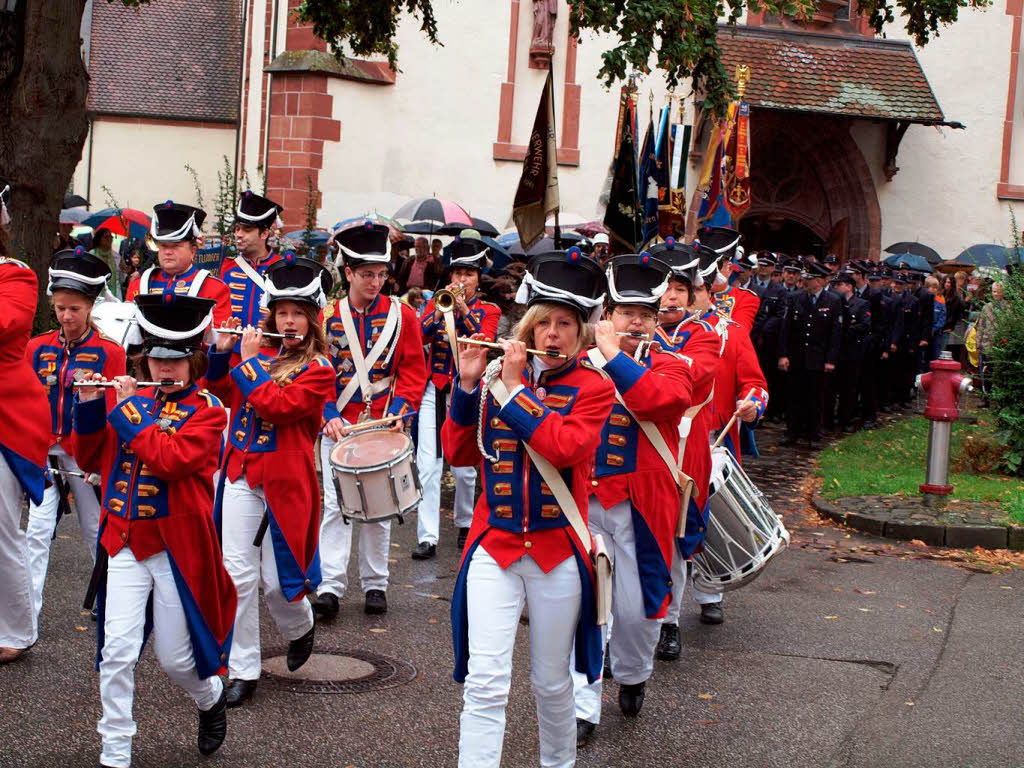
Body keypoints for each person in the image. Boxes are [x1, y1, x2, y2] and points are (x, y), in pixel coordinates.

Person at [443, 248, 614, 768]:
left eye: (566, 324)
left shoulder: (594, 388)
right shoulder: (498, 376)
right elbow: (459, 453)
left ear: (582, 332)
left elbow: (564, 448)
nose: (554, 334)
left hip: (557, 551)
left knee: (550, 681)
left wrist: (515, 390)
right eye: (546, 323)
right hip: (493, 546)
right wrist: (470, 385)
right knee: (486, 680)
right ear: (531, 327)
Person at [71, 294, 236, 768]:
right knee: (116, 651)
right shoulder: (133, 401)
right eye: (158, 360)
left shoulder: (208, 411)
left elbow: (171, 460)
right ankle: (115, 749)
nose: (165, 371)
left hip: (173, 549)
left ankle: (209, 697)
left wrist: (127, 410)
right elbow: (89, 459)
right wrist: (88, 403)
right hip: (123, 540)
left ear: (194, 360)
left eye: (177, 361)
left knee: (176, 660)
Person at [571, 252, 696, 744]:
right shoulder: (580, 364)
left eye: (645, 313)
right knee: (585, 602)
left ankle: (633, 671)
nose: (637, 321)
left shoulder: (673, 364)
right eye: (626, 313)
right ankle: (583, 705)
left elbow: (659, 401)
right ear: (608, 314)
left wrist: (613, 358)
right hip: (582, 500)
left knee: (638, 608)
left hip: (642, 505)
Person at [206, 254, 335, 708]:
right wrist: (223, 351)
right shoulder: (257, 353)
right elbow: (221, 391)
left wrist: (246, 364)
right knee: (235, 573)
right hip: (241, 468)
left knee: (279, 582)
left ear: (312, 319)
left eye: (298, 313)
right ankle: (243, 668)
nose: (289, 321)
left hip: (285, 478)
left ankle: (299, 626)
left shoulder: (320, 370)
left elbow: (277, 407)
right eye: (282, 313)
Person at [313, 223, 427, 619]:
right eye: (367, 275)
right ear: (348, 273)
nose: (375, 282)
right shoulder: (326, 317)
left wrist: (405, 407)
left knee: (379, 507)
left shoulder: (403, 315)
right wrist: (327, 412)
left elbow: (414, 369)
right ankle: (330, 586)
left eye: (381, 274)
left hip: (382, 424)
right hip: (340, 426)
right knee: (335, 507)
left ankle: (375, 584)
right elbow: (318, 370)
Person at [24, 248, 126, 624]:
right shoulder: (38, 347)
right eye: (61, 307)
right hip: (43, 454)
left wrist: (101, 462)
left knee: (95, 529)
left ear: (90, 307)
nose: (66, 316)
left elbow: (116, 412)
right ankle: (24, 617)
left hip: (87, 457)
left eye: (75, 309)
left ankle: (112, 601)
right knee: (35, 534)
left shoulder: (109, 352)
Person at [648, 239, 724, 659]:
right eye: (664, 288)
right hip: (638, 449)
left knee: (676, 540)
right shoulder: (631, 328)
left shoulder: (705, 336)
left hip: (683, 450)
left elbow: (691, 379)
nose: (671, 296)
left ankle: (670, 621)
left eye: (679, 289)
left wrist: (647, 355)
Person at [416, 236, 501, 557]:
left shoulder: (489, 309)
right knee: (428, 463)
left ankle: (465, 524)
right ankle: (427, 536)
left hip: (468, 390)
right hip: (433, 387)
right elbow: (418, 334)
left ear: (479, 277)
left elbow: (486, 341)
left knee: (465, 467)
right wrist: (439, 312)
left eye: (467, 274)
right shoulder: (435, 300)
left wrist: (463, 310)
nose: (460, 280)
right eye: (456, 274)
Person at [0, 246, 52, 664]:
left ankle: (16, 628)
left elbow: (8, 322)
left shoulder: (15, 275)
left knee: (1, 531)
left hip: (7, 418)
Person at [125, 202, 231, 325]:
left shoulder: (215, 289)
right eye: (163, 246)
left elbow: (217, 339)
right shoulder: (138, 285)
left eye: (176, 246)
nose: (168, 252)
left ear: (192, 251)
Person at [778, 261, 842, 448]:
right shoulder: (795, 298)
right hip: (797, 357)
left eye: (811, 278)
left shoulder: (833, 300)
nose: (806, 281)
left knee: (815, 399)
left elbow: (835, 333)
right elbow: (785, 329)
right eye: (806, 278)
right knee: (794, 397)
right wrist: (783, 354)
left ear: (821, 281)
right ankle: (792, 432)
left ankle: (814, 434)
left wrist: (831, 359)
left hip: (818, 358)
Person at [219, 191, 285, 359]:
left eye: (247, 230)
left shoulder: (283, 269)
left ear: (264, 234)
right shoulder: (226, 266)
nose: (239, 234)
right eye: (237, 228)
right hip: (229, 358)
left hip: (268, 359)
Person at [698, 226, 759, 335]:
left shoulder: (745, 298)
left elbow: (739, 333)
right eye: (705, 264)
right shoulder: (686, 293)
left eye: (717, 265)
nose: (709, 271)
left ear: (730, 268)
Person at [749, 252, 788, 421]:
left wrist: (763, 330)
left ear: (773, 268)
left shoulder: (779, 290)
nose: (762, 268)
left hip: (767, 340)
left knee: (767, 375)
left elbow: (779, 315)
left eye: (766, 265)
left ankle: (767, 410)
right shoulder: (749, 286)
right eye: (761, 264)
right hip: (748, 336)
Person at [831, 272, 871, 433]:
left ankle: (845, 418)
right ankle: (830, 418)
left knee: (849, 389)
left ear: (849, 286)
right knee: (832, 387)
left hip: (851, 351)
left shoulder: (861, 304)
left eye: (839, 285)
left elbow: (864, 326)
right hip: (836, 351)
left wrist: (844, 330)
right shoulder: (834, 302)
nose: (835, 287)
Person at [91, 227, 122, 298]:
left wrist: (125, 268)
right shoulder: (92, 255)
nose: (109, 239)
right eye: (106, 237)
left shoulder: (116, 256)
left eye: (111, 237)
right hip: (97, 294)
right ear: (99, 239)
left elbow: (121, 277)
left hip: (115, 295)